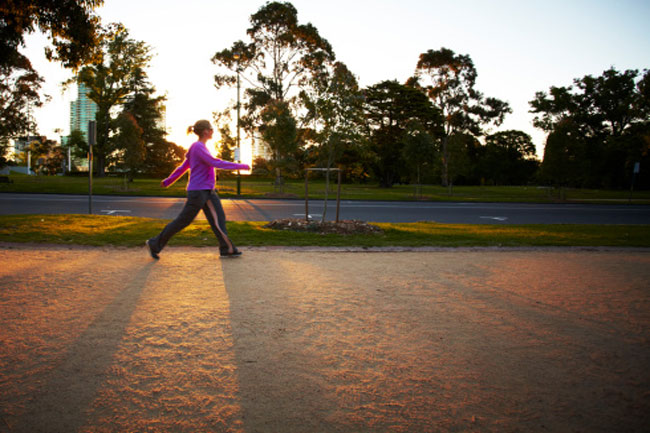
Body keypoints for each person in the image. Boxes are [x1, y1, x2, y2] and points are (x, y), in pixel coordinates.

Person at [146, 119, 250, 259]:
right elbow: (214, 162)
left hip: (207, 191)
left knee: (218, 219)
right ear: (205, 131)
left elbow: (183, 167)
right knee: (183, 221)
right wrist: (241, 166)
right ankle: (155, 243)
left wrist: (168, 181)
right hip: (198, 192)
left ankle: (227, 249)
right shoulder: (197, 147)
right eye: (211, 128)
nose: (213, 131)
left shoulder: (199, 147)